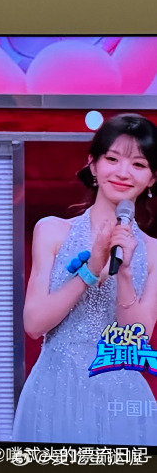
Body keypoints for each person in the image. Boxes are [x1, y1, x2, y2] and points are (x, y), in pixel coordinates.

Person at [13, 113, 157, 445]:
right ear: (93, 164)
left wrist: (124, 272)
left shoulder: (152, 250)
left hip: (121, 398)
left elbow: (137, 340)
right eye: (112, 159)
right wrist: (90, 269)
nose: (123, 172)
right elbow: (34, 324)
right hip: (54, 391)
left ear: (152, 179)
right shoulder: (52, 231)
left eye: (138, 164)